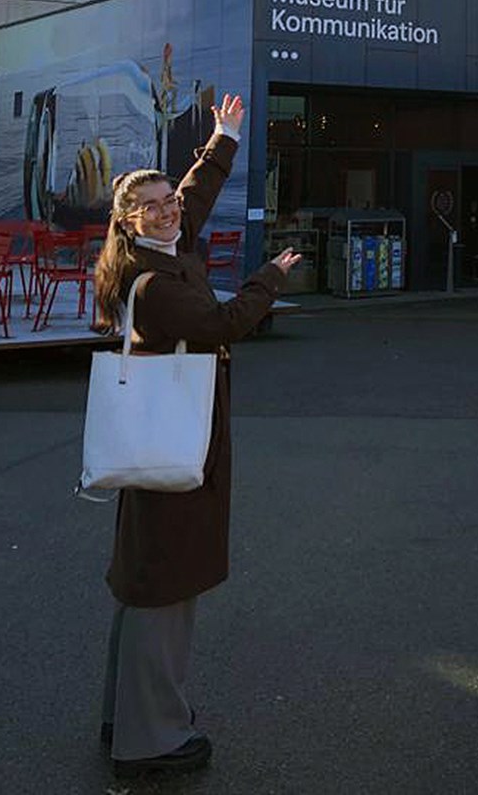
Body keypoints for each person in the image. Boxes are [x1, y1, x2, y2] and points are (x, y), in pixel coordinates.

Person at [92, 93, 301, 779]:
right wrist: (270, 277)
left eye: (167, 200)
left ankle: (126, 715)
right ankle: (150, 740)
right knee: (165, 591)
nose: (168, 209)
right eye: (150, 205)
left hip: (163, 440)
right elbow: (222, 324)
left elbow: (193, 198)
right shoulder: (153, 284)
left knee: (150, 579)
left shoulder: (157, 250)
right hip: (174, 447)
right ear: (126, 219)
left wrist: (222, 139)